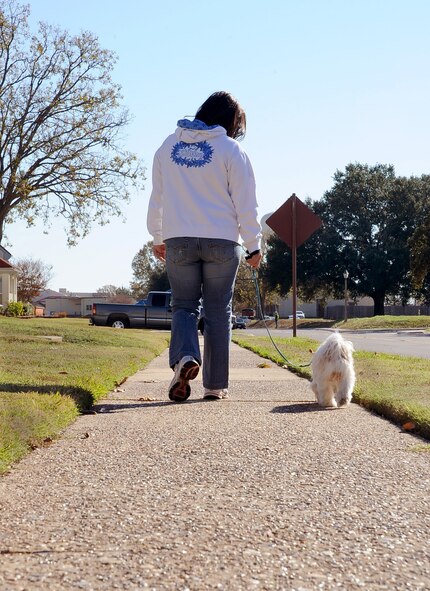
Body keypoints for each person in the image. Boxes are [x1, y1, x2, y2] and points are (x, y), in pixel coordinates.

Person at [147, 91, 262, 402]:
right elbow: (245, 202)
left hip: (179, 240)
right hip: (223, 242)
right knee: (217, 312)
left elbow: (158, 197)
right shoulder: (231, 150)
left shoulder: (168, 146)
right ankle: (214, 386)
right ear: (231, 121)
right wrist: (254, 246)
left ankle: (185, 357)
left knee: (184, 306)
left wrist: (157, 237)